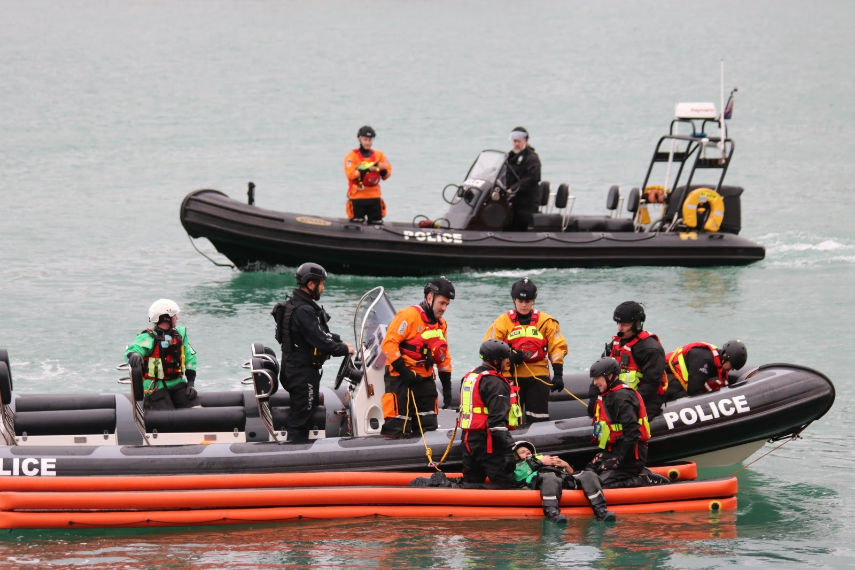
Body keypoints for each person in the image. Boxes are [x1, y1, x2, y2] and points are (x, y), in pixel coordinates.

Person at [271, 262, 354, 442]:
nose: (323, 288)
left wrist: (339, 340)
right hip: (301, 375)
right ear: (310, 284)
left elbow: (320, 333)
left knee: (307, 411)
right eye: (321, 284)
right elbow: (319, 340)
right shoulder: (304, 310)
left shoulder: (298, 305)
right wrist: (343, 349)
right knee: (300, 418)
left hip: (295, 369)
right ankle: (293, 454)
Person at [483, 277, 567, 424]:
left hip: (538, 376)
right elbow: (489, 348)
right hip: (510, 376)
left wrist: (558, 374)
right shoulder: (502, 322)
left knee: (538, 418)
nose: (523, 305)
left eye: (527, 301)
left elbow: (557, 347)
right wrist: (509, 356)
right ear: (514, 300)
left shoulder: (547, 321)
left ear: (533, 300)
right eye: (520, 301)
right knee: (510, 419)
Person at [379, 277, 455, 438]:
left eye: (447, 304)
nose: (444, 308)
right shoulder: (408, 316)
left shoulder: (441, 325)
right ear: (429, 297)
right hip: (401, 376)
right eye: (442, 303)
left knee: (428, 425)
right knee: (397, 425)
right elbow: (389, 344)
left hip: (424, 378)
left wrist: (447, 388)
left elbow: (443, 357)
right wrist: (405, 372)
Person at [587, 357, 669, 489]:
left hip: (631, 455)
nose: (595, 382)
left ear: (610, 376)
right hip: (614, 450)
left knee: (601, 485)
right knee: (589, 474)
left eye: (597, 378)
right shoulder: (607, 395)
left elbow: (632, 433)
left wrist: (620, 460)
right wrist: (592, 395)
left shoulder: (622, 397)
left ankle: (643, 479)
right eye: (593, 379)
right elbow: (591, 412)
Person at [459, 339, 522, 488]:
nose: (508, 362)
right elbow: (496, 422)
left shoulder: (469, 377)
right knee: (506, 485)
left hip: (468, 440)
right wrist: (509, 451)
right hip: (488, 442)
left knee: (471, 483)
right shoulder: (495, 382)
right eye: (505, 359)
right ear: (496, 360)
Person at [513, 440, 615, 523]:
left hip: (561, 480)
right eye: (522, 452)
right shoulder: (517, 466)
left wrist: (566, 465)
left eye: (528, 450)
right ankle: (553, 515)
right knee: (549, 477)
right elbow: (518, 477)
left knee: (588, 474)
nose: (527, 452)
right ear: (516, 457)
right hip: (544, 483)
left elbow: (571, 473)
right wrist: (541, 462)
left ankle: (601, 511)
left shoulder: (544, 458)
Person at [125, 299, 201, 410]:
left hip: (177, 382)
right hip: (155, 386)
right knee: (168, 418)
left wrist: (190, 383)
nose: (177, 318)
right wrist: (134, 355)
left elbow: (190, 357)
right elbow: (136, 348)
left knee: (196, 408)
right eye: (175, 315)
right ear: (166, 318)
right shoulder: (148, 337)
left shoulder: (180, 335)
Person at [598, 301, 667, 419]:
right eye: (618, 323)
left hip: (645, 401)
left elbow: (651, 385)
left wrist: (626, 404)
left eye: (624, 324)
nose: (620, 328)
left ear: (637, 324)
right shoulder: (615, 345)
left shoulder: (651, 349)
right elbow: (599, 371)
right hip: (618, 397)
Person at [664, 339, 748, 400]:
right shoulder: (704, 360)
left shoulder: (718, 363)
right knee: (683, 397)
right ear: (725, 356)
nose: (732, 369)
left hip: (678, 380)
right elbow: (694, 391)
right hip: (666, 377)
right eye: (733, 365)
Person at [344, 125, 392, 224]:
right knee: (357, 223)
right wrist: (367, 169)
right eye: (365, 139)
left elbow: (387, 175)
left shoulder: (379, 155)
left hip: (374, 197)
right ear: (359, 139)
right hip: (357, 197)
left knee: (377, 223)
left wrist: (381, 170)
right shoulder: (351, 156)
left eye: (370, 140)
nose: (367, 142)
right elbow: (350, 174)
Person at [505, 126, 541, 231]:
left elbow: (532, 178)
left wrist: (513, 189)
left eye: (519, 141)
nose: (516, 144)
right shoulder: (510, 157)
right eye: (515, 141)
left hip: (526, 202)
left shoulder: (532, 158)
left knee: (520, 223)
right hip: (513, 200)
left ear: (526, 141)